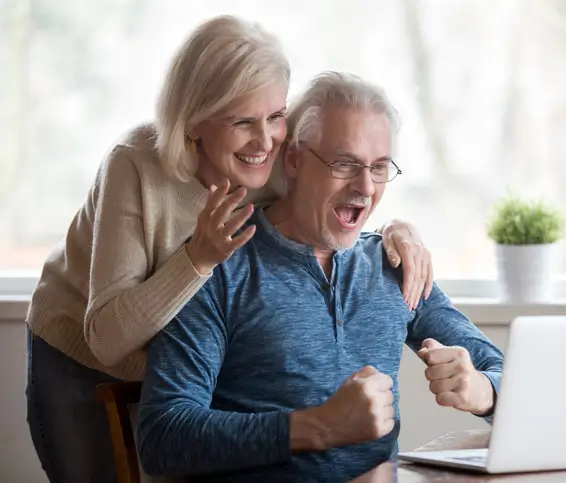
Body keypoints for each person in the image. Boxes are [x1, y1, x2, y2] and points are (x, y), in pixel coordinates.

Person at [24, 16, 435, 483]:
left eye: (276, 116)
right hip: (82, 351)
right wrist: (198, 259)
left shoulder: (272, 157)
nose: (266, 142)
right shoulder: (135, 165)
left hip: (175, 357)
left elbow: (330, 200)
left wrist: (393, 231)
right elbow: (107, 337)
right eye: (243, 121)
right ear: (194, 121)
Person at [136, 71, 504, 482]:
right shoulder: (220, 263)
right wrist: (317, 426)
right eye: (344, 164)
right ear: (293, 159)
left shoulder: (392, 264)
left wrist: (482, 390)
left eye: (379, 167)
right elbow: (163, 435)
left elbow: (509, 375)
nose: (365, 187)